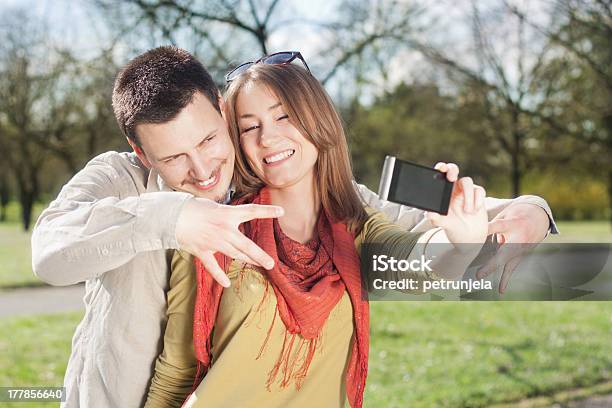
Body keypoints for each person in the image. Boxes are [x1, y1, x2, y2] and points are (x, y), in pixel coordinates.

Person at [31, 47, 557, 408]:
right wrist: (172, 217)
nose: (202, 170)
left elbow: (436, 242)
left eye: (211, 141)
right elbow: (51, 252)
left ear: (220, 110)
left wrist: (533, 209)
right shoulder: (120, 179)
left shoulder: (334, 205)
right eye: (174, 158)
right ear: (142, 153)